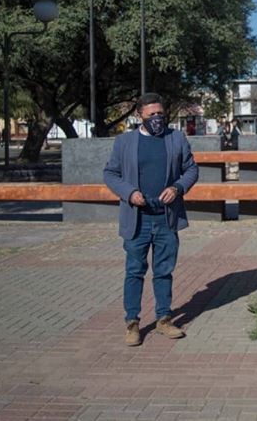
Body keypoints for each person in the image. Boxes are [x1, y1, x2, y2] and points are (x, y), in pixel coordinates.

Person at [103, 93, 199, 346]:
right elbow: (111, 173)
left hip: (166, 218)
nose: (157, 118)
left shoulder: (176, 138)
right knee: (134, 271)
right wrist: (129, 193)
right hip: (137, 219)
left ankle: (164, 319)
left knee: (164, 271)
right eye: (151, 114)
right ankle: (132, 323)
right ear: (139, 116)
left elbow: (191, 169)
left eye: (160, 114)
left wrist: (178, 187)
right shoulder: (124, 142)